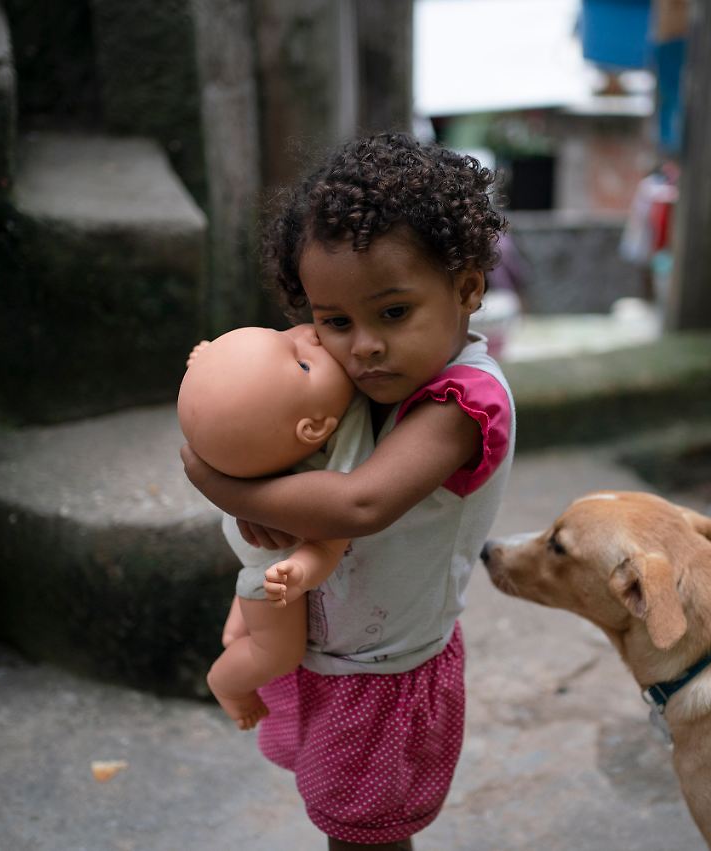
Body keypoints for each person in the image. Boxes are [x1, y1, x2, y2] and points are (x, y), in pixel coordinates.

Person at [180, 132, 517, 851]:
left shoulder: (463, 404)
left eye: (392, 313)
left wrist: (224, 484)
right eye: (335, 321)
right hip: (332, 649)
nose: (359, 346)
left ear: (466, 289)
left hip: (384, 672)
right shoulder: (373, 374)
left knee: (364, 836)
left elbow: (359, 505)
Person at [177, 324, 373, 730]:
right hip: (274, 557)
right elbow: (327, 543)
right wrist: (301, 572)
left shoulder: (313, 403)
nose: (310, 338)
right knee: (277, 652)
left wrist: (209, 360)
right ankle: (227, 682)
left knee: (251, 600)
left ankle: (235, 633)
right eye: (303, 363)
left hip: (252, 545)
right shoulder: (334, 463)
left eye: (289, 337)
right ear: (314, 428)